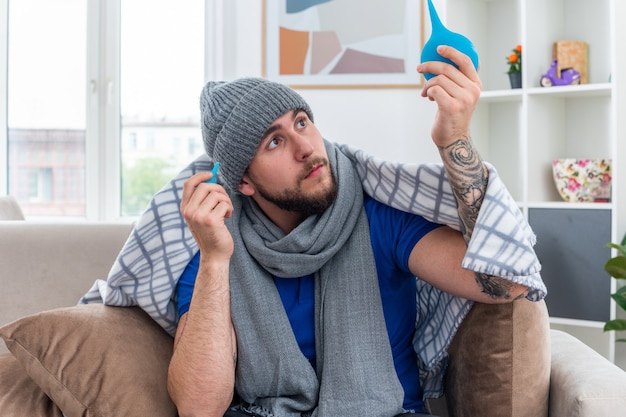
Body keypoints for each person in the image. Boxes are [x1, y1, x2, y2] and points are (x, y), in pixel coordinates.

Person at [167, 46, 536, 417]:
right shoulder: (216, 252)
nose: (306, 147)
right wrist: (215, 261)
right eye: (274, 142)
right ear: (243, 181)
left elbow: (507, 282)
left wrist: (454, 139)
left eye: (301, 122)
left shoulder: (380, 220)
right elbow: (199, 408)